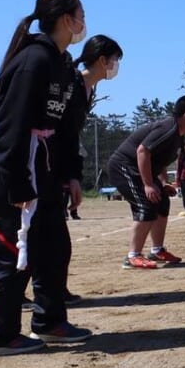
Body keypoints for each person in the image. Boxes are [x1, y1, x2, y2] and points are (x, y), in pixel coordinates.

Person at [0, 0, 94, 355]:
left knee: (54, 246)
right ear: (65, 19)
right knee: (13, 252)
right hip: (11, 171)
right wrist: (17, 185)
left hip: (42, 170)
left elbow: (64, 129)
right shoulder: (33, 61)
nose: (83, 23)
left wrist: (70, 174)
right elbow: (11, 125)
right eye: (80, 14)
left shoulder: (61, 64)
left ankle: (49, 321)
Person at [56, 34, 125, 305]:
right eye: (115, 60)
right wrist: (65, 173)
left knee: (57, 238)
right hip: (46, 165)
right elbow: (61, 131)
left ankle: (53, 290)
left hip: (62, 166)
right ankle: (41, 294)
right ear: (101, 60)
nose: (116, 66)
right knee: (48, 238)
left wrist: (72, 174)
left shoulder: (87, 88)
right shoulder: (72, 83)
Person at [109, 95, 185, 269]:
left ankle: (157, 250)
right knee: (146, 206)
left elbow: (159, 160)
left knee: (162, 202)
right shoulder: (167, 128)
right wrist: (148, 185)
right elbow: (143, 151)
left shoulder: (178, 135)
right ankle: (132, 256)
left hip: (141, 169)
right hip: (124, 167)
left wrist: (163, 183)